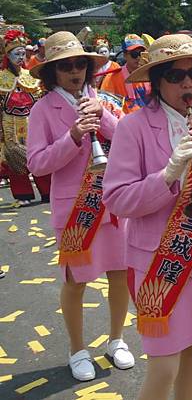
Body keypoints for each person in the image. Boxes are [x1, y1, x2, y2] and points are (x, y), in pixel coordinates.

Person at [102, 34, 192, 400]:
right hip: (158, 262)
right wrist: (167, 175)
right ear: (156, 81)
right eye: (175, 76)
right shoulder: (132, 127)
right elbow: (117, 198)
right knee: (164, 365)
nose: (187, 84)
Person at [27, 31, 134, 381]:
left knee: (120, 275)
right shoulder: (42, 109)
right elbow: (37, 164)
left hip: (112, 203)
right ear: (52, 72)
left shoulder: (102, 98)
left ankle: (117, 339)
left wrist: (101, 114)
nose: (74, 72)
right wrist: (72, 136)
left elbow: (127, 139)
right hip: (75, 209)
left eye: (79, 64)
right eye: (65, 66)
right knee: (76, 281)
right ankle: (77, 349)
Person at [0, 29, 51, 206]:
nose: (21, 57)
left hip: (31, 120)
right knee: (15, 158)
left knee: (38, 154)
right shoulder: (1, 78)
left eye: (23, 53)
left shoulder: (30, 76)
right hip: (9, 123)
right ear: (8, 54)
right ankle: (23, 194)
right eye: (17, 53)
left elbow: (41, 100)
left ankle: (47, 191)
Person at [101, 34, 151, 114]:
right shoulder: (112, 77)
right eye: (134, 54)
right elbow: (106, 106)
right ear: (125, 55)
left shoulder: (150, 74)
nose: (138, 58)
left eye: (141, 54)